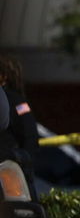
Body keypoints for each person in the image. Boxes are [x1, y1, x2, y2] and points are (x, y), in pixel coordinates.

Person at [0, 55, 40, 199]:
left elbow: (30, 134)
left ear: (3, 76)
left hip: (9, 169)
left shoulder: (16, 101)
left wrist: (23, 160)